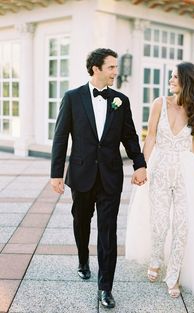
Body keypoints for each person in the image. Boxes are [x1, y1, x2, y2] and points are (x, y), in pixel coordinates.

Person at [126, 62, 194, 298]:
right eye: (172, 76)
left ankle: (173, 274)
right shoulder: (159, 103)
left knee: (182, 225)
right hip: (160, 167)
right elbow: (151, 137)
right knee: (159, 222)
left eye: (176, 77)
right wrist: (141, 167)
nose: (171, 80)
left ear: (187, 81)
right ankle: (156, 258)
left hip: (186, 170)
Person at [50, 48, 147, 309]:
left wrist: (140, 164)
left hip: (110, 177)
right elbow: (60, 137)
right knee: (81, 221)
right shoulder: (72, 98)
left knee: (108, 231)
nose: (116, 71)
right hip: (81, 174)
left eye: (116, 67)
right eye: (112, 67)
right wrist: (56, 174)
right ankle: (83, 259)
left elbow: (130, 136)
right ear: (96, 69)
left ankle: (105, 287)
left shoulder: (120, 100)